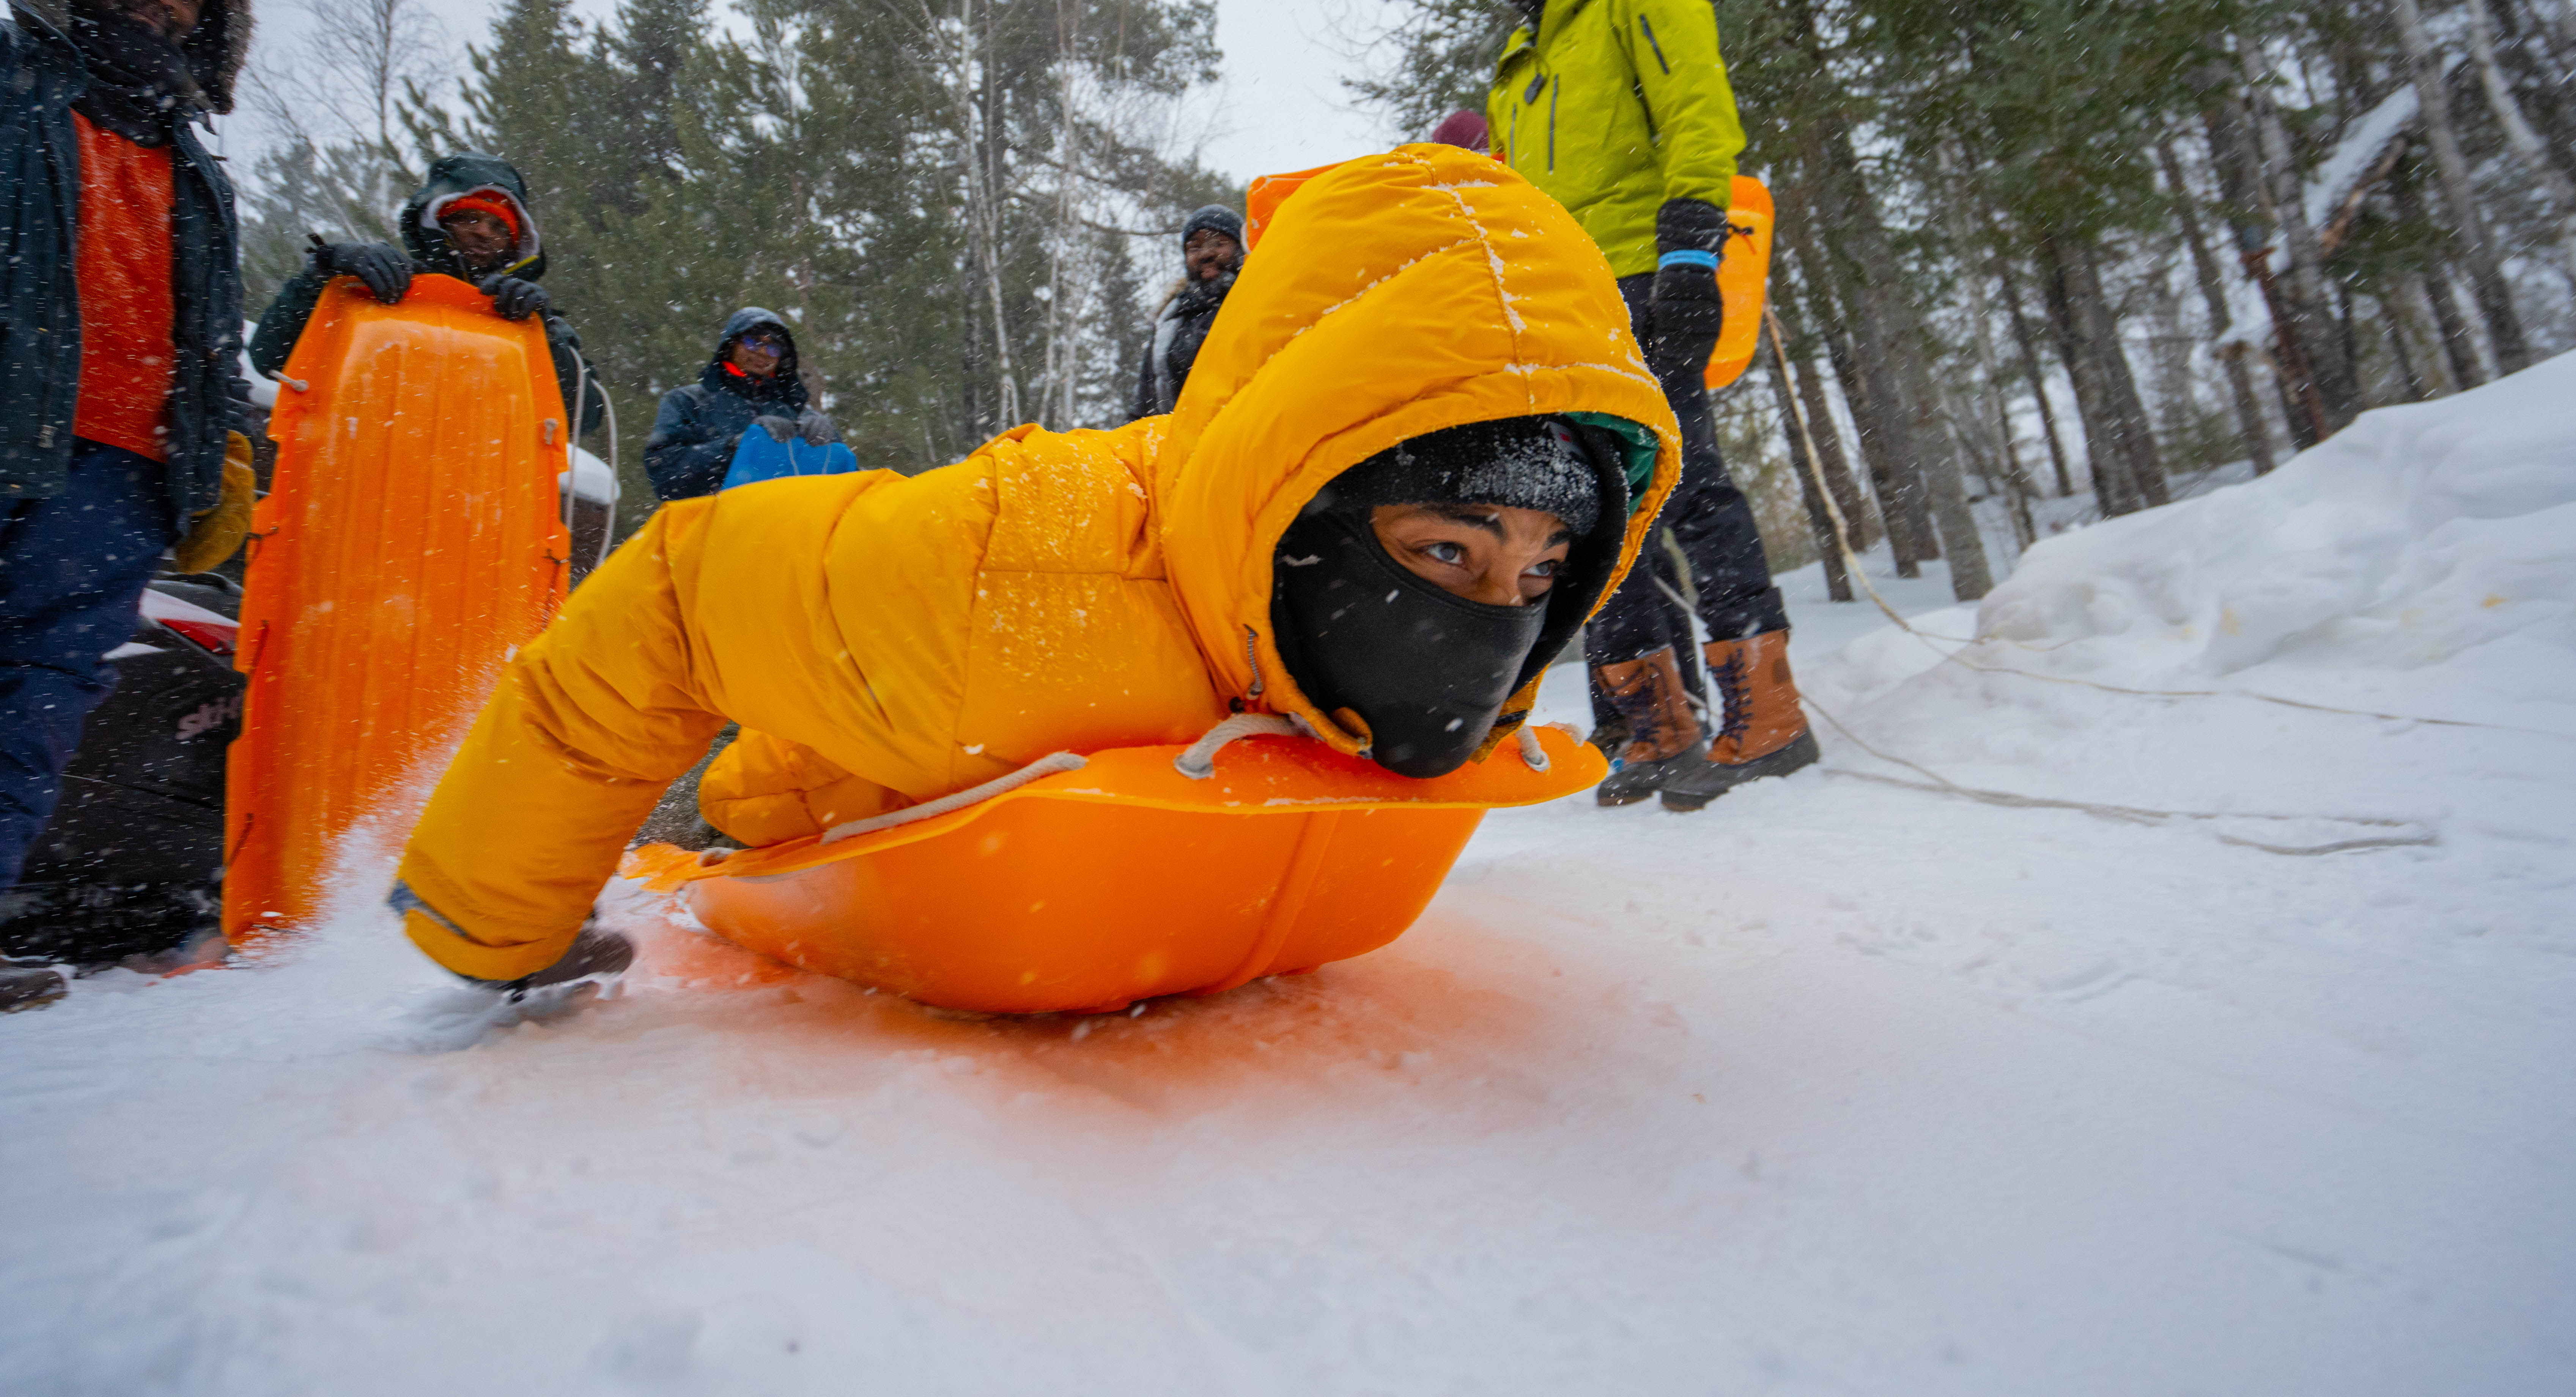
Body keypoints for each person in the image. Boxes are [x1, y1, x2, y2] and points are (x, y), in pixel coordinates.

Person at [384, 146, 1677, 996]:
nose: (1494, 615)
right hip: (871, 702)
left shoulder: (1340, 598)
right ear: (1310, 517)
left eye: (1534, 572)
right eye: (1442, 549)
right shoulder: (992, 589)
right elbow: (676, 587)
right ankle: (716, 815)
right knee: (792, 769)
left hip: (980, 694)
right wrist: (496, 927)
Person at [1480, 0, 1816, 810]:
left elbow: (1699, 122)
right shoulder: (1512, 73)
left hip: (1647, 282)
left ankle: (1770, 713)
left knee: (1691, 481)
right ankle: (1655, 728)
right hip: (1565, 309)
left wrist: (1689, 253)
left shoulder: (1640, 4)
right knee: (1599, 516)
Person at [1, 0, 256, 1010]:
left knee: (45, 698)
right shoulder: (17, 101)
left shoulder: (198, 175)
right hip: (18, 424)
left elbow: (207, 336)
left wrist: (218, 458)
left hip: (122, 473)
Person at [246, 153, 602, 438]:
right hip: (355, 486)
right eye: (470, 218)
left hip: (483, 502)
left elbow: (583, 419)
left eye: (499, 226)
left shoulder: (529, 319)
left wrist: (547, 339)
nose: (483, 232)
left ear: (515, 244)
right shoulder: (375, 284)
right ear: (439, 223)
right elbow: (270, 358)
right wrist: (321, 279)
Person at [644, 309, 837, 502]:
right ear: (730, 345)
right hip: (715, 527)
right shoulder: (686, 402)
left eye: (773, 348)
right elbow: (666, 481)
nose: (763, 352)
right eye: (753, 342)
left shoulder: (798, 413)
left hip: (789, 526)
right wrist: (735, 446)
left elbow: (840, 488)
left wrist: (832, 440)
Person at [1131, 205, 1243, 420]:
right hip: (1185, 449)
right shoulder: (1170, 322)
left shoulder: (1260, 300)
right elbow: (1145, 408)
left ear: (1241, 249)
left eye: (1219, 243)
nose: (1206, 254)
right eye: (1194, 248)